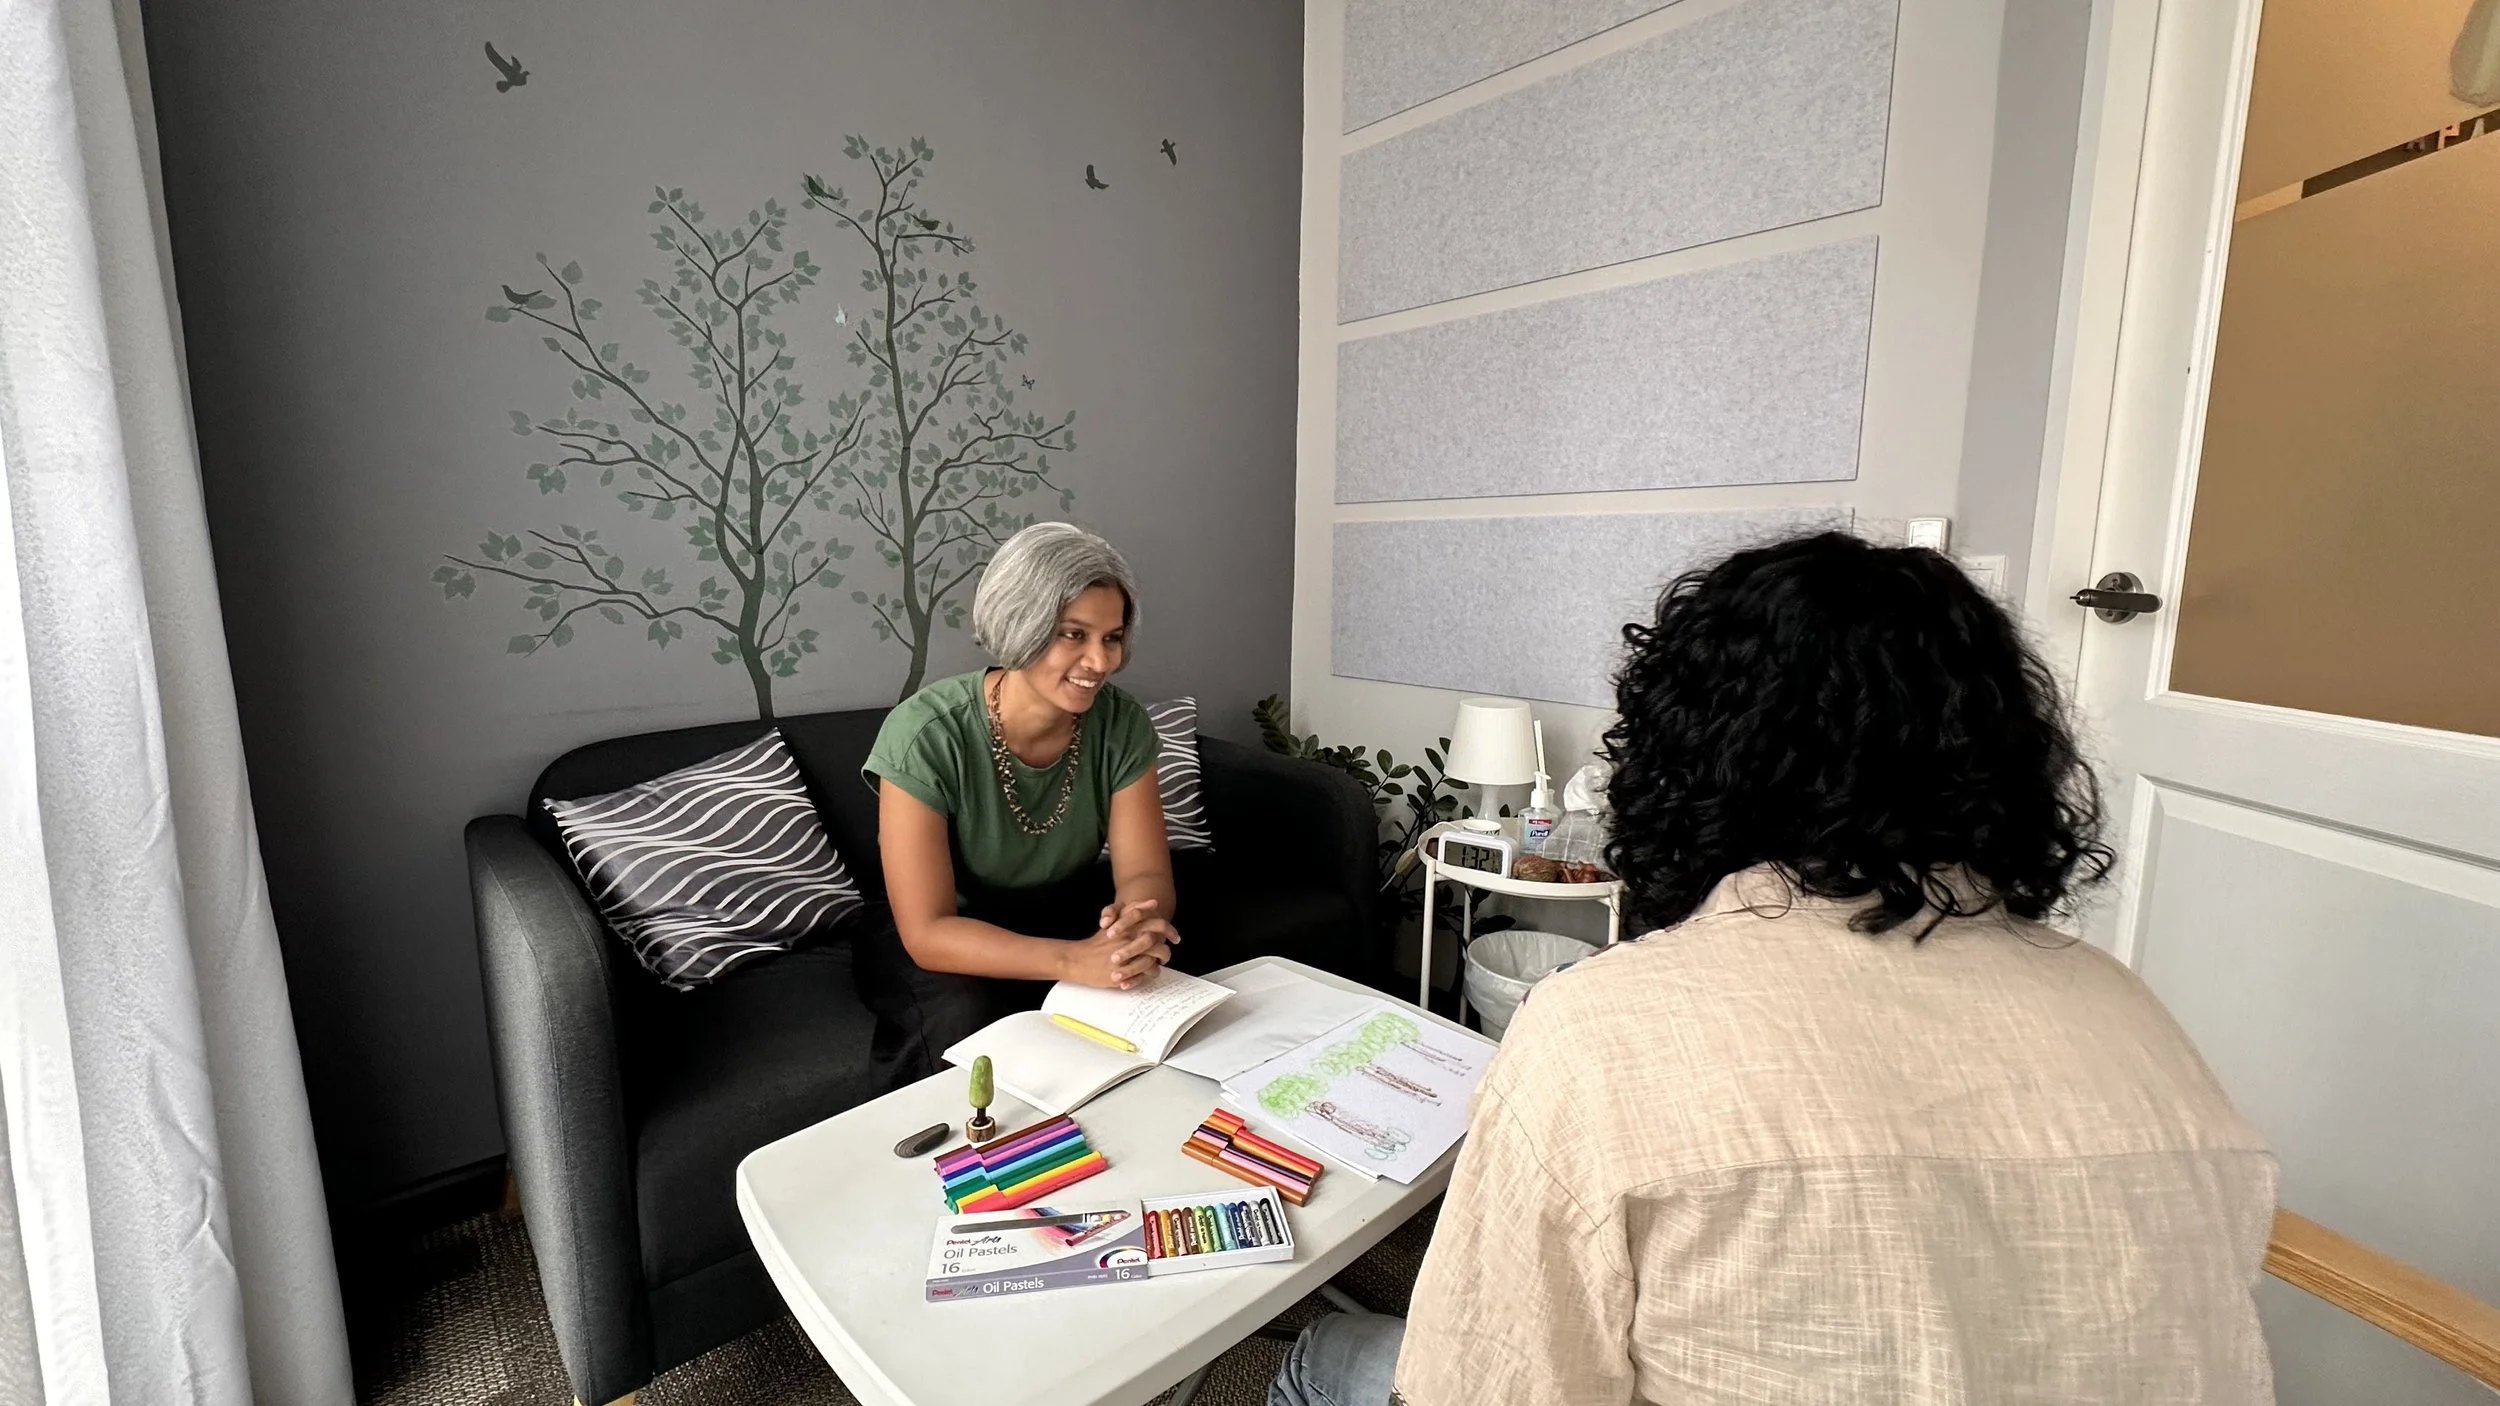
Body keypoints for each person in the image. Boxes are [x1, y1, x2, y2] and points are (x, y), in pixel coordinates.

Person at [1272, 531, 2278, 1406]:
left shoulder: (1597, 1035)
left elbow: (1479, 1382)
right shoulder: (2136, 1018)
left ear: (1685, 756)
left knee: (1328, 1353)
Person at [857, 522, 1179, 1085]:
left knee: (1155, 978)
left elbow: (1146, 872)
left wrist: (1133, 927)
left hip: (1061, 903)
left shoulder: (1122, 724)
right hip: (947, 926)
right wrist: (1073, 961)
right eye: (1072, 635)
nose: (1100, 662)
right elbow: (928, 931)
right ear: (1019, 624)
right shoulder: (924, 735)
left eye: (1111, 637)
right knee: (966, 1018)